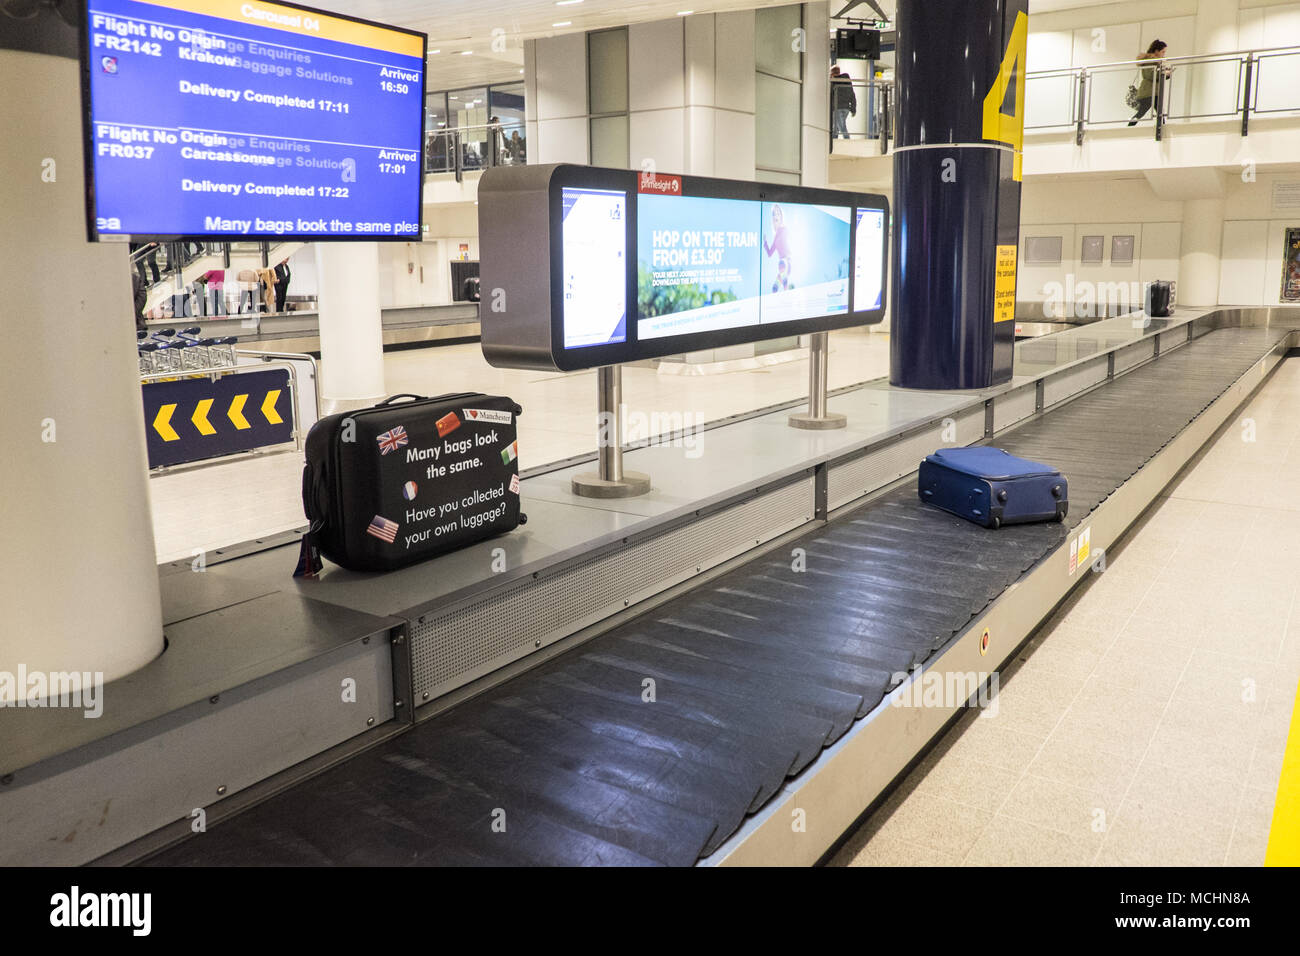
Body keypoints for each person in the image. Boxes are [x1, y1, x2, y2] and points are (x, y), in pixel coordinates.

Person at [1128, 40, 1169, 126]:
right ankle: (1162, 128)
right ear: (1156, 51)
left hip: (1152, 91)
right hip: (1148, 92)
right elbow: (1150, 75)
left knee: (1157, 111)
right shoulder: (1150, 61)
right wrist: (1163, 73)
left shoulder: (1153, 61)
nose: (1164, 54)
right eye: (1163, 52)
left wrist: (1165, 74)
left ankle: (1162, 127)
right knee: (1147, 111)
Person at [830, 67, 857, 142]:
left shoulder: (833, 81)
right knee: (836, 126)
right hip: (846, 108)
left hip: (837, 107)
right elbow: (852, 95)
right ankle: (833, 142)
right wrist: (853, 109)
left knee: (841, 126)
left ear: (832, 72)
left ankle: (847, 141)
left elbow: (830, 95)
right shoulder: (847, 81)